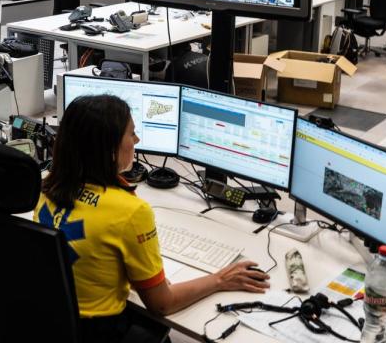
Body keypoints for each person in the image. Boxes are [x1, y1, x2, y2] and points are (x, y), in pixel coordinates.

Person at [35, 95, 269, 342]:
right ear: (110, 149)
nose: (137, 140)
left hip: (55, 324)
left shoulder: (48, 187)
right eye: (131, 134)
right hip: (100, 331)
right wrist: (219, 279)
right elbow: (162, 304)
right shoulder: (130, 211)